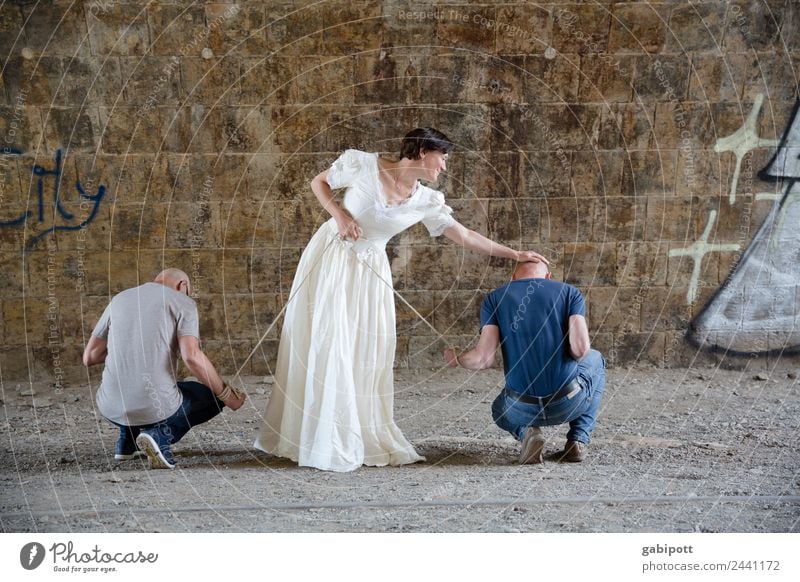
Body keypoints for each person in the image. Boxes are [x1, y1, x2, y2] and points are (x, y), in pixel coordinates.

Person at [254, 127, 548, 472]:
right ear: (423, 151)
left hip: (370, 273)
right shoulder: (362, 164)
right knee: (330, 340)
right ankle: (318, 436)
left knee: (364, 349)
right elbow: (318, 183)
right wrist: (341, 216)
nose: (445, 167)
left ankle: (355, 432)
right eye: (443, 158)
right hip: (333, 258)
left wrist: (514, 254)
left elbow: (465, 235)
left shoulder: (426, 201)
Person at [443, 260, 605, 464]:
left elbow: (483, 359)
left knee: (498, 410)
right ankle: (577, 441)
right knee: (596, 359)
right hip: (568, 402)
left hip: (519, 408)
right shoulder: (570, 292)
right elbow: (581, 350)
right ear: (547, 277)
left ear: (513, 278)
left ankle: (528, 432)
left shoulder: (495, 298)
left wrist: (457, 358)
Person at [82, 268, 245, 469]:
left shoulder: (119, 299)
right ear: (182, 285)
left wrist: (128, 345)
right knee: (210, 395)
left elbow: (90, 356)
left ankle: (127, 442)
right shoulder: (183, 302)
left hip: (109, 407)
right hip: (154, 407)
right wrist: (227, 394)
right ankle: (159, 436)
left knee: (142, 384)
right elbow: (192, 357)